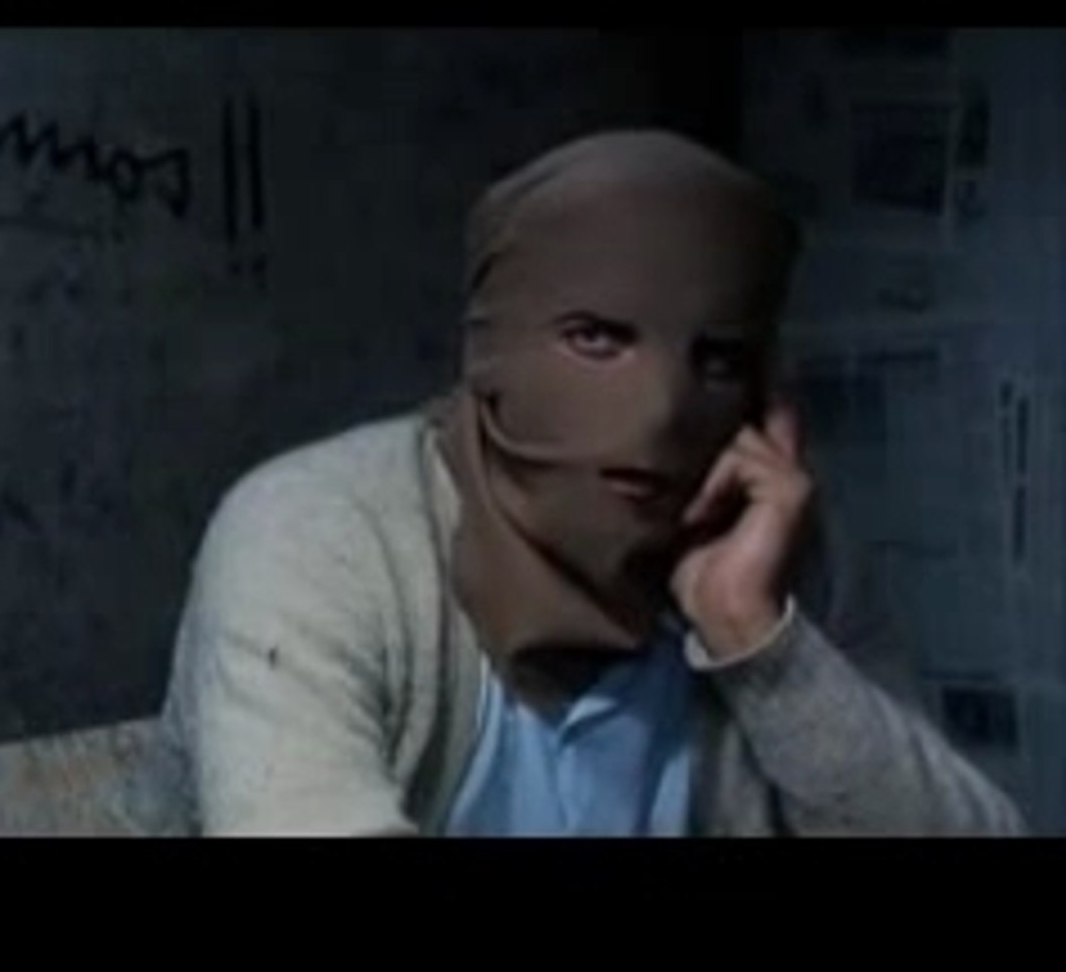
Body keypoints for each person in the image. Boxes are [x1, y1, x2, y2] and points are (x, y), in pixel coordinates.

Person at [162, 129, 1026, 836]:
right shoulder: (321, 535)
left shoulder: (780, 557)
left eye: (716, 361)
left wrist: (758, 643)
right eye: (597, 339)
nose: (660, 412)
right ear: (490, 350)